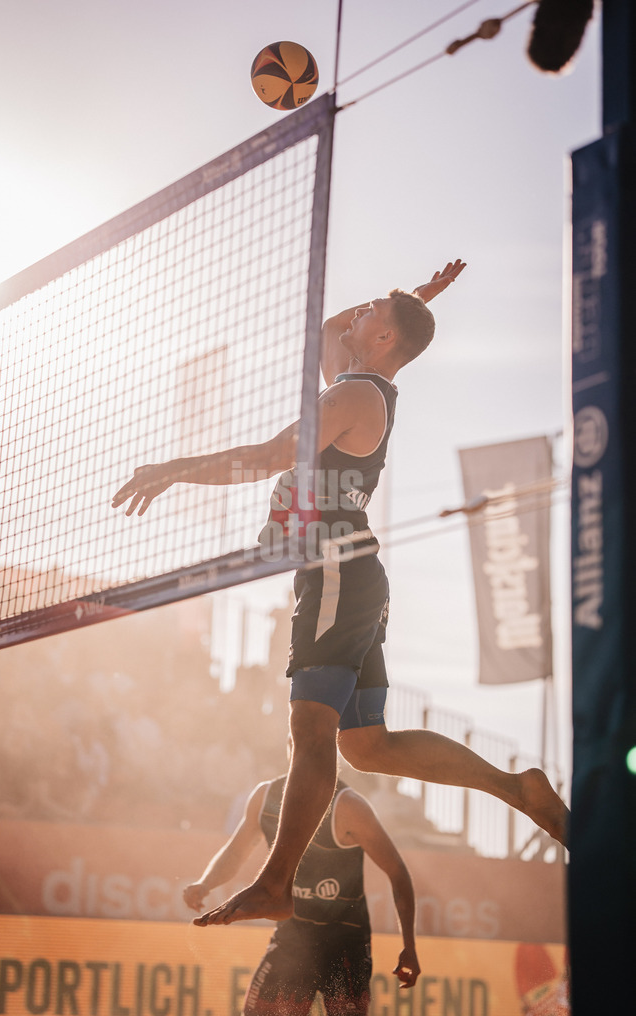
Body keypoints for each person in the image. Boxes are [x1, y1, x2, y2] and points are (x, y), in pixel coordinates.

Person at [112, 259, 569, 927]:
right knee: (367, 746)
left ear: (383, 342)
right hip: (347, 575)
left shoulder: (356, 396)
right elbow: (331, 326)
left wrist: (173, 468)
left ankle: (274, 882)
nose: (353, 317)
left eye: (369, 316)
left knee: (309, 729)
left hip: (337, 573)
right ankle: (513, 786)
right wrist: (408, 300)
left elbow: (271, 458)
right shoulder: (358, 382)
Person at [183, 767, 420, 1016]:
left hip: (344, 946)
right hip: (293, 938)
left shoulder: (348, 806)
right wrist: (205, 883)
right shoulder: (265, 797)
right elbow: (235, 852)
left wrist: (409, 944)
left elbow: (398, 873)